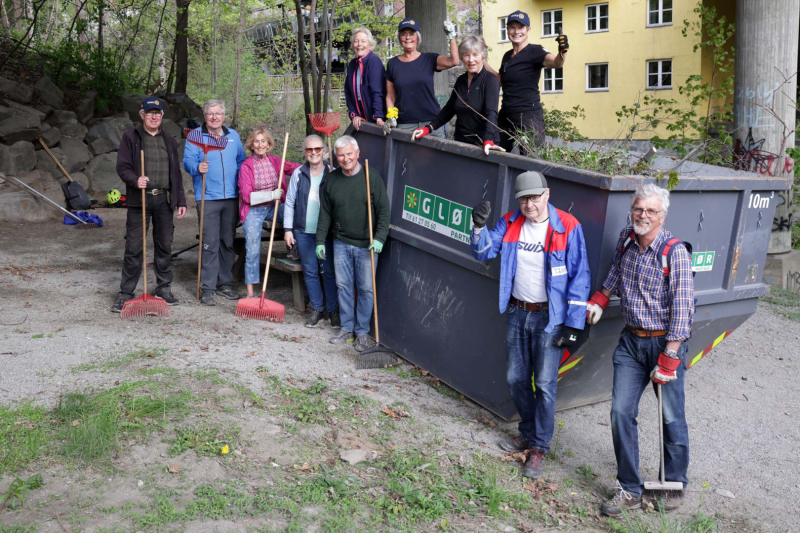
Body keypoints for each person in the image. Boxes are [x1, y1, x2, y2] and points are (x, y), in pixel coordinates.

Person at [470, 171, 590, 479]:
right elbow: (484, 251)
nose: (529, 204)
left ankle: (538, 448)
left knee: (546, 385)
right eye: (524, 199)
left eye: (535, 198)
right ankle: (527, 431)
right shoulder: (510, 223)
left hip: (550, 318)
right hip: (518, 312)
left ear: (547, 195)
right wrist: (478, 227)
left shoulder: (568, 227)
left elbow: (580, 276)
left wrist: (574, 324)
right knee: (515, 379)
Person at [587, 184, 694, 517]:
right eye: (638, 209)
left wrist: (670, 355)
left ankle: (673, 484)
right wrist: (601, 298)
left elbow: (684, 305)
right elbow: (617, 271)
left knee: (671, 417)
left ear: (662, 216)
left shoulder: (674, 251)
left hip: (665, 343)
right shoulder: (626, 238)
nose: (642, 215)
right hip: (631, 342)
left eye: (650, 211)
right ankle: (630, 489)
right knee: (621, 413)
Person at [315, 136, 389, 352]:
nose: (345, 159)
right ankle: (346, 328)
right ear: (335, 157)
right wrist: (320, 240)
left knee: (366, 289)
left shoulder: (371, 177)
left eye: (349, 154)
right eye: (341, 155)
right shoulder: (332, 179)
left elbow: (384, 211)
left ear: (357, 154)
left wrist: (379, 237)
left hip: (368, 244)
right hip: (341, 241)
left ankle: (362, 332)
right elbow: (325, 213)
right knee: (343, 286)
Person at [112, 97, 187, 312]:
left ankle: (163, 288)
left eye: (158, 113)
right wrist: (135, 180)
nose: (154, 116)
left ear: (162, 116)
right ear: (142, 114)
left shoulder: (170, 140)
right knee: (134, 247)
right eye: (150, 112)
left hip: (164, 200)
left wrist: (180, 199)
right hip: (140, 200)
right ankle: (126, 292)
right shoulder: (131, 137)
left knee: (164, 245)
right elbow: (122, 166)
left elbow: (176, 174)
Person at [183, 99, 246, 306]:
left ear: (223, 116)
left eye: (218, 113)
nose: (214, 117)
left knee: (227, 242)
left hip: (230, 198)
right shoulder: (195, 136)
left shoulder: (232, 136)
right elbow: (187, 161)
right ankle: (207, 288)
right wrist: (196, 167)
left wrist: (239, 184)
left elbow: (240, 161)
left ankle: (224, 283)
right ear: (205, 116)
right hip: (208, 197)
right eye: (210, 114)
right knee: (210, 242)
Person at [413, 35, 504, 155]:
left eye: (475, 55)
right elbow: (449, 109)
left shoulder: (490, 81)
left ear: (483, 55)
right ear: (462, 58)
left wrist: (488, 139)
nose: (471, 60)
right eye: (466, 55)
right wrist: (429, 128)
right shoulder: (461, 80)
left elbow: (491, 113)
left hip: (484, 146)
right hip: (462, 143)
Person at [490, 11, 569, 151]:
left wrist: (563, 52)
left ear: (528, 30)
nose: (516, 31)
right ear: (507, 30)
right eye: (512, 27)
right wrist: (480, 62)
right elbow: (500, 80)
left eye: (520, 27)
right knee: (497, 156)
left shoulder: (535, 51)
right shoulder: (507, 56)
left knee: (531, 161)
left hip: (528, 116)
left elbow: (557, 64)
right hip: (506, 115)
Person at [284, 135, 340, 328]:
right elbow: (290, 202)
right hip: (303, 231)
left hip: (325, 234)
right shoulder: (299, 173)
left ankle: (332, 310)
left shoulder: (333, 173)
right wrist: (288, 230)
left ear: (324, 151)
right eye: (309, 150)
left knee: (328, 271)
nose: (314, 153)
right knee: (310, 271)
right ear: (305, 152)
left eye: (317, 149)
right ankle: (317, 309)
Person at [239, 127, 301, 298]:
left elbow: (297, 168)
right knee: (252, 250)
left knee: (297, 214)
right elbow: (246, 195)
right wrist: (271, 194)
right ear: (252, 145)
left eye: (263, 141)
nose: (260, 145)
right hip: (254, 210)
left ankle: (294, 249)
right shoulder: (246, 166)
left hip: (275, 207)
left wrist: (318, 164)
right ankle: (250, 293)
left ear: (268, 144)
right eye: (256, 141)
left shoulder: (276, 161)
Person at [385, 18, 460, 137]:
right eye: (404, 34)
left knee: (437, 155)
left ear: (417, 37)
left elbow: (454, 61)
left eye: (411, 34)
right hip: (405, 124)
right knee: (406, 156)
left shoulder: (429, 59)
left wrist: (451, 36)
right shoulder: (393, 64)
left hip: (432, 123)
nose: (408, 37)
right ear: (399, 38)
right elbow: (390, 96)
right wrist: (391, 116)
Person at [345, 27, 386, 131]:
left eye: (363, 41)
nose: (359, 44)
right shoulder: (352, 64)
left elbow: (377, 92)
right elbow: (348, 93)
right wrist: (354, 114)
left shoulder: (374, 62)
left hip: (374, 115)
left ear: (370, 45)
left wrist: (378, 116)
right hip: (361, 115)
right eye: (356, 41)